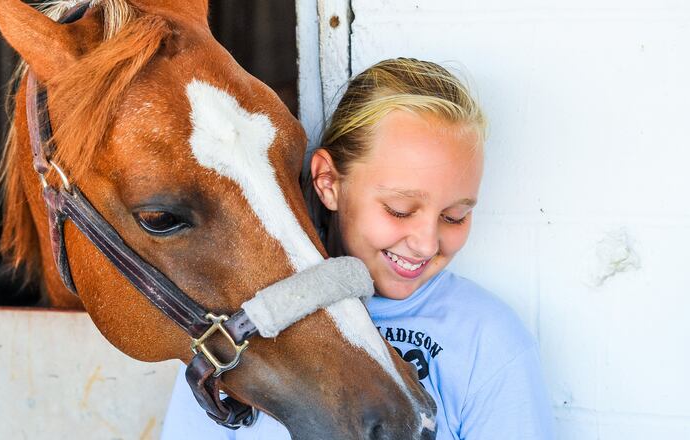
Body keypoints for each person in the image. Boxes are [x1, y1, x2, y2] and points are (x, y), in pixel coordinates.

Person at [160, 58, 555, 439]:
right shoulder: (241, 326)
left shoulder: (487, 338)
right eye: (400, 210)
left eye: (454, 217)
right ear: (329, 182)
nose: (426, 243)